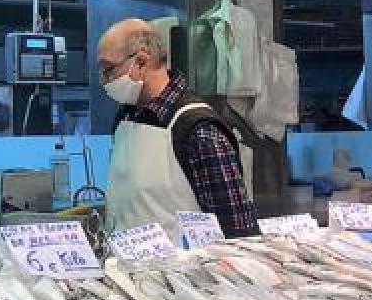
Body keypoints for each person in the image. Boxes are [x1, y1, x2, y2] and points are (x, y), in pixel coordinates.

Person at [98, 18, 258, 240]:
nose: (103, 81)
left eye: (108, 70)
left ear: (141, 63)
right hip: (128, 269)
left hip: (182, 272)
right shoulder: (126, 117)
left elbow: (238, 233)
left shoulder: (199, 131)